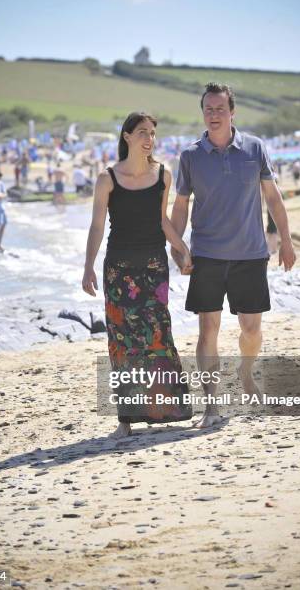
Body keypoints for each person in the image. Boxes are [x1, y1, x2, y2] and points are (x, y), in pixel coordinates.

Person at [171, 82, 296, 428]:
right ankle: (212, 405)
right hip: (207, 255)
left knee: (251, 329)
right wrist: (178, 246)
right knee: (207, 329)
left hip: (251, 254)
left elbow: (273, 198)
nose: (214, 115)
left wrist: (286, 240)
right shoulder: (191, 156)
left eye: (220, 109)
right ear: (203, 113)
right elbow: (180, 205)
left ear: (232, 112)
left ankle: (245, 370)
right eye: (208, 109)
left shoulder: (254, 148)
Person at [82, 112, 193, 439]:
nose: (149, 139)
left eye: (153, 133)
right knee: (122, 344)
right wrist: (88, 265)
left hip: (154, 267)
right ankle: (125, 420)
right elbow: (97, 226)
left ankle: (168, 408)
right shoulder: (107, 179)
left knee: (158, 335)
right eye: (143, 132)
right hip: (118, 270)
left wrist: (183, 249)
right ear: (127, 136)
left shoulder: (163, 175)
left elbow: (162, 221)